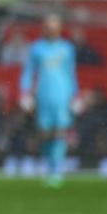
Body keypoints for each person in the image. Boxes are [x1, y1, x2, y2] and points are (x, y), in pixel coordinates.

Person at [19, 14, 80, 188]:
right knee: (45, 133)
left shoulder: (67, 48)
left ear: (59, 28)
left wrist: (75, 95)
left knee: (60, 131)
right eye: (48, 26)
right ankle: (49, 166)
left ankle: (56, 172)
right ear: (44, 28)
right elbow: (28, 72)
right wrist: (25, 93)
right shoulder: (37, 48)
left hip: (62, 96)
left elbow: (71, 73)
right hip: (43, 96)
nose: (51, 30)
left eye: (54, 26)